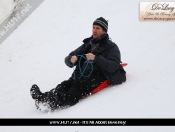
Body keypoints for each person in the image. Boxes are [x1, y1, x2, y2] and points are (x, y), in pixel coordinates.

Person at [30, 17, 126, 110]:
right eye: (93, 27)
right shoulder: (88, 44)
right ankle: (41, 98)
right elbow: (69, 57)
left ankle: (51, 103)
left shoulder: (112, 47)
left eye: (98, 28)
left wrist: (96, 58)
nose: (94, 30)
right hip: (80, 75)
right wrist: (71, 59)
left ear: (104, 31)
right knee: (64, 85)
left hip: (96, 77)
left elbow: (113, 66)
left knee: (74, 90)